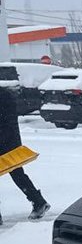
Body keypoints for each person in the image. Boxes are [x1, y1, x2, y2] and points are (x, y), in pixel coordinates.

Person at [0, 80, 50, 225]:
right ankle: (38, 201)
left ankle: (38, 202)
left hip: (4, 140)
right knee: (17, 173)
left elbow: (5, 120)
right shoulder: (5, 94)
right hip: (9, 141)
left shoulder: (3, 96)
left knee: (17, 173)